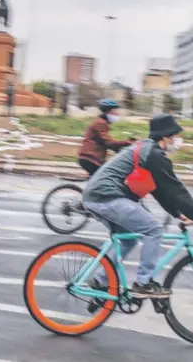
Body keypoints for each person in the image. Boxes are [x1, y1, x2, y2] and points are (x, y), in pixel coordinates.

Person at [83, 114, 193, 298]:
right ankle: (143, 284)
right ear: (165, 136)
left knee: (129, 239)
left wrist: (177, 213)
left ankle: (101, 280)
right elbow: (175, 189)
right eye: (174, 136)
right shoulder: (153, 154)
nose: (177, 140)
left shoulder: (148, 151)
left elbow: (161, 190)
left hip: (98, 196)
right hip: (106, 197)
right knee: (154, 229)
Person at [78, 99, 132, 177]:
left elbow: (105, 142)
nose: (117, 114)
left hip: (92, 158)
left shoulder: (102, 122)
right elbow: (109, 143)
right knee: (108, 176)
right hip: (91, 159)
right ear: (108, 112)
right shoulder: (100, 123)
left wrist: (119, 150)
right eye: (115, 111)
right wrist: (128, 142)